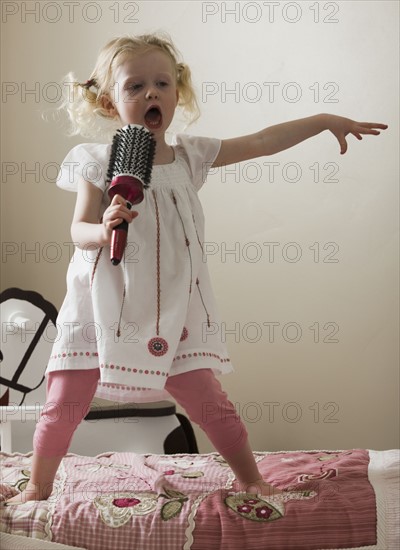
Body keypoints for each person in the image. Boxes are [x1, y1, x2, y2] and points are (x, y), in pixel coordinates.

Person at [4, 33, 387, 506]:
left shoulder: (190, 155)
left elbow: (264, 142)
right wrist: (104, 230)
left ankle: (250, 478)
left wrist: (325, 120)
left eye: (161, 83)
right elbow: (77, 229)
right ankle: (38, 487)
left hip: (172, 309)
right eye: (135, 85)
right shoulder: (97, 162)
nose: (151, 93)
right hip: (101, 306)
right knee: (63, 403)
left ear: (177, 94)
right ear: (108, 101)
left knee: (210, 402)